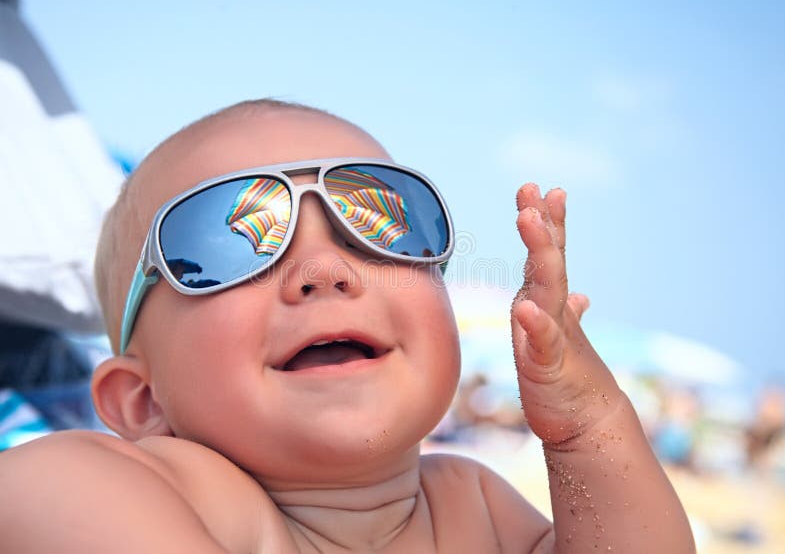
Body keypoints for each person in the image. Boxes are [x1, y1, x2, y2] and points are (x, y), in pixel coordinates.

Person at [0, 99, 695, 553]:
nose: (325, 268)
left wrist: (588, 431)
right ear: (141, 400)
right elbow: (37, 491)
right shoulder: (160, 492)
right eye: (232, 244)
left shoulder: (475, 504)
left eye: (379, 220)